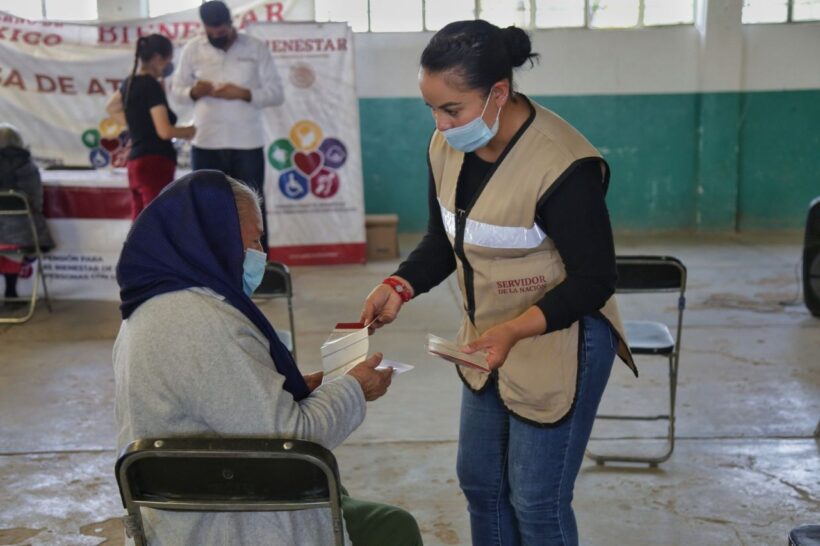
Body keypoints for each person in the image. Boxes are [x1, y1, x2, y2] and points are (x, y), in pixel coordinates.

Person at [360, 20, 637, 546]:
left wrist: (513, 331)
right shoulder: (445, 147)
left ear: (499, 93)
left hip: (560, 341)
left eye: (452, 109)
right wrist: (399, 286)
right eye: (431, 109)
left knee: (537, 500)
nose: (441, 125)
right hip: (486, 338)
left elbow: (595, 279)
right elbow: (443, 240)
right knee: (482, 485)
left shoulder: (562, 164)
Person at [113, 170, 422, 546]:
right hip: (233, 523)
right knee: (393, 527)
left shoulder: (152, 308)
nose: (261, 253)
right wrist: (356, 388)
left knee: (344, 494)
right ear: (215, 237)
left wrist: (293, 387)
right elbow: (292, 442)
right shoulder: (204, 321)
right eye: (254, 240)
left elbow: (224, 398)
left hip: (181, 515)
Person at [172, 0, 284, 251]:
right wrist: (193, 91)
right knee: (205, 206)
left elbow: (277, 93)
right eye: (210, 32)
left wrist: (243, 93)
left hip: (247, 143)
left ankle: (257, 267)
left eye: (220, 31)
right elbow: (176, 92)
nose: (216, 36)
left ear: (231, 24)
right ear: (204, 27)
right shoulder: (193, 49)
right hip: (206, 142)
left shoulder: (255, 48)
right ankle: (211, 265)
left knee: (252, 208)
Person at [106, 34, 196, 220]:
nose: (169, 65)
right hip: (155, 162)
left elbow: (111, 107)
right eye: (168, 60)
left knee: (139, 221)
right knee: (157, 221)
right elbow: (165, 132)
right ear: (157, 58)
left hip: (135, 163)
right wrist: (191, 131)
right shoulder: (151, 85)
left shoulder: (129, 82)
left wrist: (138, 126)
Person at [0, 124, 54, 302]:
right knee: (14, 248)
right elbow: (35, 201)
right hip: (23, 233)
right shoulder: (28, 166)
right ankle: (11, 293)